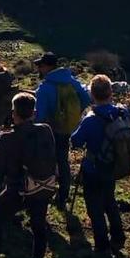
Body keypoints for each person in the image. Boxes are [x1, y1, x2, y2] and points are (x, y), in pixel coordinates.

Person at [0, 92, 57, 258]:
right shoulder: (46, 130)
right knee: (38, 225)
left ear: (14, 113)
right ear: (33, 112)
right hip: (43, 186)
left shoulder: (7, 138)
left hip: (18, 189)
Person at [70, 75, 127, 255]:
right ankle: (118, 238)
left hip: (93, 168)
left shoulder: (90, 119)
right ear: (111, 92)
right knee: (110, 200)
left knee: (95, 207)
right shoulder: (122, 112)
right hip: (114, 165)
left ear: (92, 95)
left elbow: (76, 141)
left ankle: (102, 245)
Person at [32, 52, 90, 210]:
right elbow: (86, 98)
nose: (39, 68)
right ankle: (63, 194)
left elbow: (40, 115)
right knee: (63, 161)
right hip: (67, 128)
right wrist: (75, 115)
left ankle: (45, 192)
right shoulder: (71, 80)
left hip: (49, 130)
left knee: (47, 162)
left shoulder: (45, 88)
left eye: (41, 65)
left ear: (48, 66)